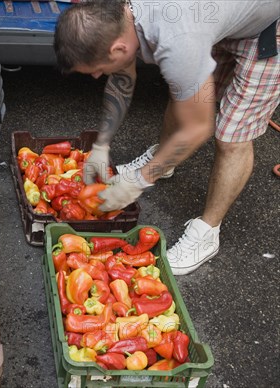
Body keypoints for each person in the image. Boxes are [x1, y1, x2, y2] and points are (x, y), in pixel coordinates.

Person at [54, 0, 279, 275]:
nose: (98, 75)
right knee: (184, 92)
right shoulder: (118, 17)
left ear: (118, 48)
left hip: (266, 30)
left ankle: (207, 233)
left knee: (231, 136)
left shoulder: (177, 39)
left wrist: (139, 180)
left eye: (97, 69)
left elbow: (198, 126)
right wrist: (102, 143)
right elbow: (122, 76)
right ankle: (165, 163)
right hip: (216, 17)